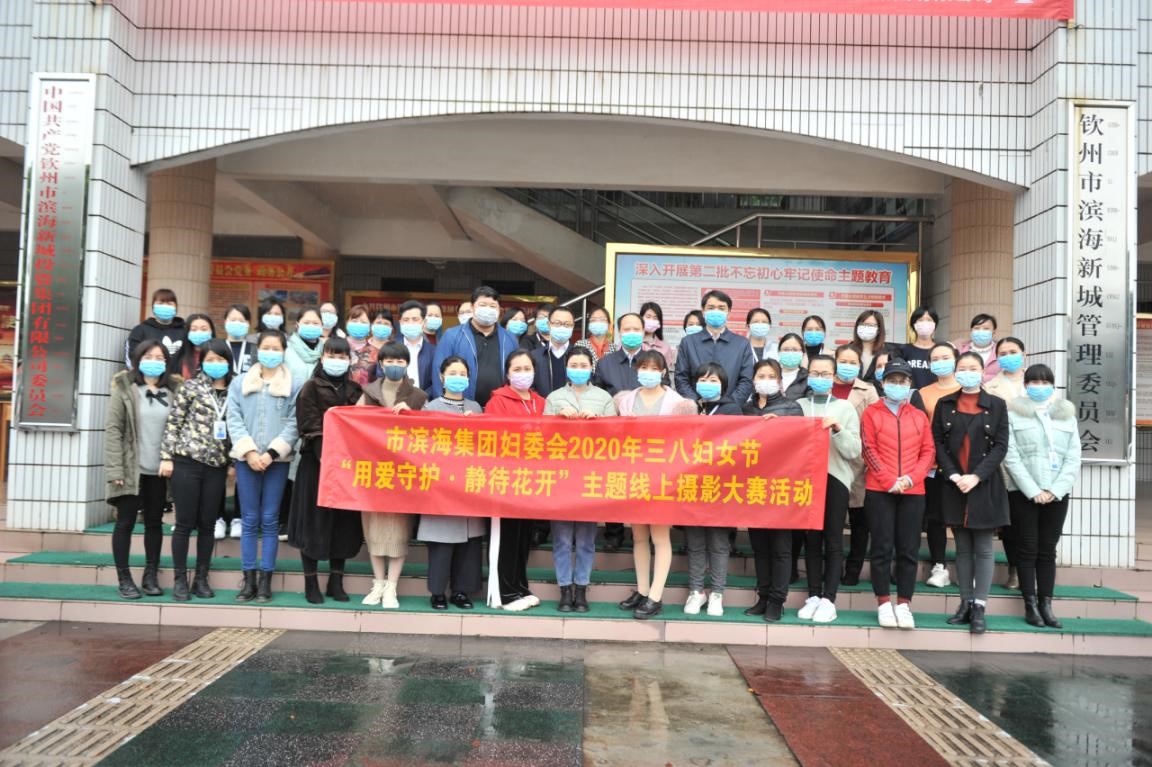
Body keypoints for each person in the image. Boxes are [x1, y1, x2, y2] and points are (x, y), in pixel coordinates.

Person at [933, 351, 1011, 635]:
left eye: (973, 368)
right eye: (962, 368)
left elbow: (1001, 445)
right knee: (962, 548)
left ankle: (980, 606)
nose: (968, 372)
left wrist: (976, 476)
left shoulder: (997, 405)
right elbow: (937, 442)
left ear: (982, 372)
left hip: (984, 484)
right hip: (953, 484)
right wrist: (954, 475)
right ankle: (964, 603)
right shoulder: (945, 403)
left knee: (984, 548)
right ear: (956, 372)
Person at [614, 350, 696, 619]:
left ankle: (655, 596)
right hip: (634, 475)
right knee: (638, 536)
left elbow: (686, 442)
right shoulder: (626, 400)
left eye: (653, 368)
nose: (648, 372)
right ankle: (641, 590)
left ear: (663, 372)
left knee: (660, 537)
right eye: (643, 367)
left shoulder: (678, 404)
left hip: (663, 478)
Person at [288, 336, 366, 604]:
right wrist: (328, 455)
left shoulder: (355, 390)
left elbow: (362, 427)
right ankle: (311, 582)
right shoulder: (310, 387)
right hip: (316, 464)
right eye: (332, 355)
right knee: (313, 523)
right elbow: (308, 425)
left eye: (342, 356)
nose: (337, 361)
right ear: (322, 358)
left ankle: (336, 580)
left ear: (349, 360)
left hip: (347, 467)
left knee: (343, 524)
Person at [1003, 364, 1081, 629]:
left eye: (1045, 382)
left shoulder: (1066, 415)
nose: (1039, 387)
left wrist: (1055, 490)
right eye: (1034, 382)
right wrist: (1033, 490)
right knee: (1027, 548)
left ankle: (1046, 604)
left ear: (1052, 385)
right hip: (1023, 492)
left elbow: (1073, 457)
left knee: (1047, 550)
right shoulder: (1013, 414)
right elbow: (1011, 456)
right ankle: (1030, 604)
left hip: (1057, 493)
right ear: (1025, 386)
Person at [860, 358, 936, 629]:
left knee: (908, 549)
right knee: (881, 547)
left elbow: (928, 452)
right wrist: (888, 479)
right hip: (880, 489)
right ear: (883, 383)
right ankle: (883, 602)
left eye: (902, 381)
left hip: (913, 490)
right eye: (892, 380)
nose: (897, 385)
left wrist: (911, 478)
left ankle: (904, 603)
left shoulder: (918, 415)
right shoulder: (871, 413)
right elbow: (868, 448)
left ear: (909, 385)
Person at [227, 330, 300, 603]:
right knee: (249, 519)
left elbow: (294, 423)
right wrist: (249, 452)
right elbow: (234, 419)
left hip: (277, 461)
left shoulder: (294, 383)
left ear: (283, 351)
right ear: (258, 349)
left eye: (276, 348)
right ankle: (248, 580)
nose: (271, 352)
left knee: (270, 519)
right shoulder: (240, 382)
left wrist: (271, 453)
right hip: (246, 459)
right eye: (266, 347)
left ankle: (266, 580)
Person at [106, 341, 182, 599]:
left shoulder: (174, 390)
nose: (154, 361)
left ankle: (151, 575)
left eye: (160, 357)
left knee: (154, 523)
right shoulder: (125, 388)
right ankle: (124, 578)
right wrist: (115, 469)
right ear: (138, 360)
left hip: (160, 471)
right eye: (149, 356)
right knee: (125, 523)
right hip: (131, 469)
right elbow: (113, 430)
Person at [160, 339, 235, 601]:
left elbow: (238, 428)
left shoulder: (235, 390)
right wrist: (166, 457)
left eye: (220, 360)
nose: (216, 364)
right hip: (187, 462)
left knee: (207, 524)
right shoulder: (191, 387)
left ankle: (201, 579)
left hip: (217, 466)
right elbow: (174, 422)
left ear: (229, 362)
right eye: (210, 360)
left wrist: (233, 463)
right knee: (184, 524)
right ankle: (180, 579)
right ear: (202, 362)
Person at [544, 346, 617, 612]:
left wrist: (598, 422)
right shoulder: (554, 397)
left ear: (591, 368)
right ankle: (565, 590)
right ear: (566, 368)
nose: (578, 369)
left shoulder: (603, 397)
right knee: (562, 539)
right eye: (573, 365)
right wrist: (557, 419)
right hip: (561, 476)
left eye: (583, 365)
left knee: (586, 539)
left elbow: (616, 437)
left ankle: (582, 589)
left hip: (591, 476)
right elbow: (541, 438)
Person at [357, 342, 427, 608]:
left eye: (400, 361)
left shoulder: (418, 396)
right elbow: (353, 423)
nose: (394, 365)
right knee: (373, 530)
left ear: (407, 364)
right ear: (381, 363)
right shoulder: (368, 392)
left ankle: (392, 587)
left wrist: (413, 416)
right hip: (373, 471)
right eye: (389, 361)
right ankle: (378, 583)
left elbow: (431, 433)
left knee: (398, 532)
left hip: (403, 473)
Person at [793, 354, 861, 624]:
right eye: (814, 373)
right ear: (807, 375)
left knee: (833, 539)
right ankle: (813, 595)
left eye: (825, 374)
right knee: (811, 538)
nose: (819, 378)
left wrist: (838, 429)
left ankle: (829, 599)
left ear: (834, 377)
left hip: (835, 479)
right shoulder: (798, 406)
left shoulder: (845, 408)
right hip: (806, 480)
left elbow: (854, 451)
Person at [419, 356, 485, 609]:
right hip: (442, 485)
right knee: (441, 542)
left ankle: (461, 591)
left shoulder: (476, 407)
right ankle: (437, 592)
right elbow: (423, 446)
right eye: (453, 373)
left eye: (462, 373)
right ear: (442, 377)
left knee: (469, 543)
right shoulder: (431, 408)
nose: (458, 377)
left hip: (470, 484)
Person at [742, 359, 803, 621]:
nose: (765, 380)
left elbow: (800, 440)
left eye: (771, 376)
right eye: (761, 375)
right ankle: (763, 596)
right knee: (760, 547)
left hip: (781, 486)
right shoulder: (746, 409)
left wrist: (780, 425)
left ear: (779, 381)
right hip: (753, 487)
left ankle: (777, 600)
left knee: (780, 547)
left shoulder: (792, 408)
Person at [484, 350, 546, 610]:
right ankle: (504, 594)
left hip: (532, 480)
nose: (523, 374)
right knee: (506, 537)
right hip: (506, 478)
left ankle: (520, 587)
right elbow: (492, 438)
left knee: (523, 536)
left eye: (527, 368)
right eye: (517, 369)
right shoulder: (498, 401)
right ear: (507, 374)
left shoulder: (540, 402)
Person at [683, 362, 744, 617]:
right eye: (702, 380)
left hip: (721, 485)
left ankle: (717, 593)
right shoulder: (689, 408)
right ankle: (696, 591)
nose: (707, 385)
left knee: (719, 542)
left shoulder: (732, 409)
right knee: (695, 542)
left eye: (713, 381)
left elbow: (739, 446)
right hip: (692, 484)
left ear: (723, 385)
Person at [914, 342, 963, 590]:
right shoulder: (923, 393)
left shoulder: (969, 389)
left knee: (964, 518)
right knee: (935, 517)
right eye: (935, 359)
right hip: (933, 465)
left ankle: (967, 567)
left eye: (945, 357)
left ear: (955, 360)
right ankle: (939, 565)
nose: (940, 362)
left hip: (964, 466)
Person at [830, 344, 879, 587]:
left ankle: (853, 569)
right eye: (843, 361)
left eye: (853, 362)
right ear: (835, 361)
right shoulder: (824, 385)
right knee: (831, 521)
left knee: (860, 521)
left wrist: (872, 462)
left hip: (858, 461)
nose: (848, 366)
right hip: (829, 459)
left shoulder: (868, 390)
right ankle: (832, 567)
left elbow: (875, 427)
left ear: (860, 365)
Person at [983, 335, 1028, 589]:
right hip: (1005, 460)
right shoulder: (990, 387)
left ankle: (1033, 569)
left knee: (1033, 519)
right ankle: (1015, 569)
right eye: (1003, 353)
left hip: (1036, 461)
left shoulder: (1038, 381)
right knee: (1011, 519)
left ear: (1024, 354)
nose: (1008, 356)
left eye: (1013, 352)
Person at [431, 286, 519, 406]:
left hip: (500, 408)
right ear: (472, 307)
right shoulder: (452, 336)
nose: (488, 309)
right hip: (461, 408)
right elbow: (438, 372)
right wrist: (444, 407)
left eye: (492, 306)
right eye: (483, 305)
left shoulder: (509, 338)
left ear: (499, 310)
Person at [674, 290, 754, 404]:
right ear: (703, 312)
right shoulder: (688, 342)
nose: (716, 311)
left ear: (729, 312)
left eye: (721, 308)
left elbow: (746, 380)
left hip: (730, 409)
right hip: (697, 409)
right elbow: (681, 378)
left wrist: (730, 405)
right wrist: (696, 403)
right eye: (711, 308)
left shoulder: (742, 344)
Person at [126, 288, 185, 366]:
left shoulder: (185, 332)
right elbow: (132, 357)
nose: (165, 306)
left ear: (176, 307)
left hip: (177, 374)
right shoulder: (140, 330)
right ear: (153, 307)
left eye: (169, 303)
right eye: (160, 303)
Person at [592, 313, 644, 397]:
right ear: (619, 332)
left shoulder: (655, 362)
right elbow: (597, 397)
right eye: (627, 329)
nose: (632, 333)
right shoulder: (604, 364)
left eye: (636, 329)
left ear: (643, 332)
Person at [531, 305, 576, 397]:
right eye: (557, 323)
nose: (562, 327)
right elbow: (530, 388)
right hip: (543, 405)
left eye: (567, 324)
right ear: (549, 325)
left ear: (573, 326)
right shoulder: (535, 356)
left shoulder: (579, 356)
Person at [397, 300, 435, 396]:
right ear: (400, 322)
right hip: (395, 401)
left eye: (415, 319)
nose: (410, 323)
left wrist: (422, 399)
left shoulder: (433, 352)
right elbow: (381, 377)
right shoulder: (391, 349)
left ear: (424, 322)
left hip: (425, 402)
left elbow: (436, 381)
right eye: (406, 320)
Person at [899, 306, 939, 389]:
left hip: (936, 395)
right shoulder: (904, 350)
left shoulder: (941, 350)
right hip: (911, 395)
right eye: (920, 320)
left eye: (929, 320)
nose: (925, 323)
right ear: (914, 324)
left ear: (935, 324)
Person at [953, 313, 1001, 383]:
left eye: (986, 328)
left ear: (994, 332)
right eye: (976, 328)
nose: (981, 331)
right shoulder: (959, 350)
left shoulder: (1001, 351)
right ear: (971, 330)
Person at [286, 307, 325, 386]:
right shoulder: (286, 348)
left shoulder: (326, 350)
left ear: (322, 326)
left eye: (315, 323)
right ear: (297, 325)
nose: (311, 326)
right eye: (306, 323)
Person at [344, 304, 379, 388]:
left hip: (366, 395)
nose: (358, 324)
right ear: (346, 323)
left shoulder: (376, 353)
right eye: (354, 321)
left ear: (370, 326)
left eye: (363, 322)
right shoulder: (336, 347)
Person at [171, 313, 215, 379]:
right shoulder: (178, 357)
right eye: (194, 329)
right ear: (187, 332)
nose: (199, 332)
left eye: (204, 329)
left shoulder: (220, 354)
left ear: (211, 331)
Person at [852, 309, 889, 382]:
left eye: (871, 325)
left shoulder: (888, 353)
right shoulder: (849, 350)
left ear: (879, 329)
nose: (866, 328)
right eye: (862, 324)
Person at [639, 301, 676, 366]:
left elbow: (666, 369)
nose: (651, 320)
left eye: (655, 318)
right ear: (641, 318)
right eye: (648, 317)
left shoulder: (665, 347)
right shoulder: (632, 341)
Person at [223, 304, 254, 377]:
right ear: (225, 322)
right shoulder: (218, 347)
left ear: (248, 323)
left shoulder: (254, 349)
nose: (237, 323)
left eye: (241, 321)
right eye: (233, 320)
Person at [777, 333, 809, 400]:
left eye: (795, 350)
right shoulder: (770, 375)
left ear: (803, 353)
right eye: (786, 349)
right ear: (779, 352)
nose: (790, 353)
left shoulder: (808, 379)